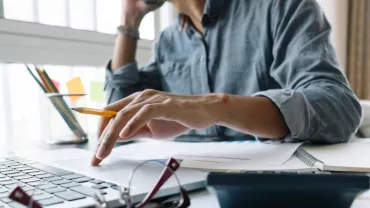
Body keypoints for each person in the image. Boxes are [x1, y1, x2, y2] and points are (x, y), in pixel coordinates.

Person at [91, 0, 362, 166]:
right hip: (182, 188)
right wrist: (129, 19)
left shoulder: (281, 6)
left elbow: (339, 108)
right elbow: (117, 122)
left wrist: (218, 106)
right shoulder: (168, 42)